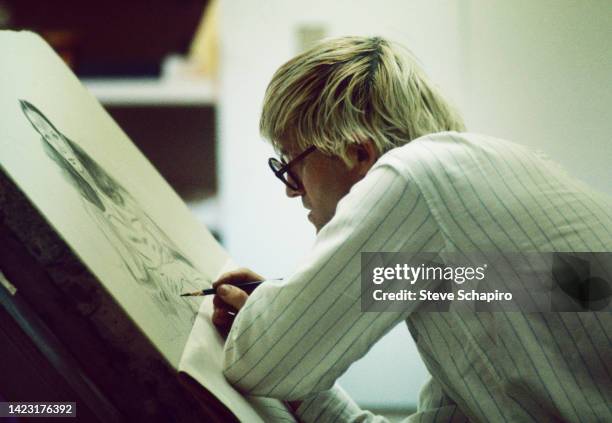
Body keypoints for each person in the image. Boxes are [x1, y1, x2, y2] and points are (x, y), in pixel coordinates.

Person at [211, 36, 612, 422]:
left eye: (291, 165)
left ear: (358, 152)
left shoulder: (415, 178)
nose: (289, 190)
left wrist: (264, 321)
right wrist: (279, 336)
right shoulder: (466, 213)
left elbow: (260, 362)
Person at [20, 100, 207, 327]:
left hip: (176, 265)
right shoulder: (89, 204)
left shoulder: (115, 186)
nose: (58, 145)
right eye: (48, 139)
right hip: (158, 278)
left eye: (54, 134)